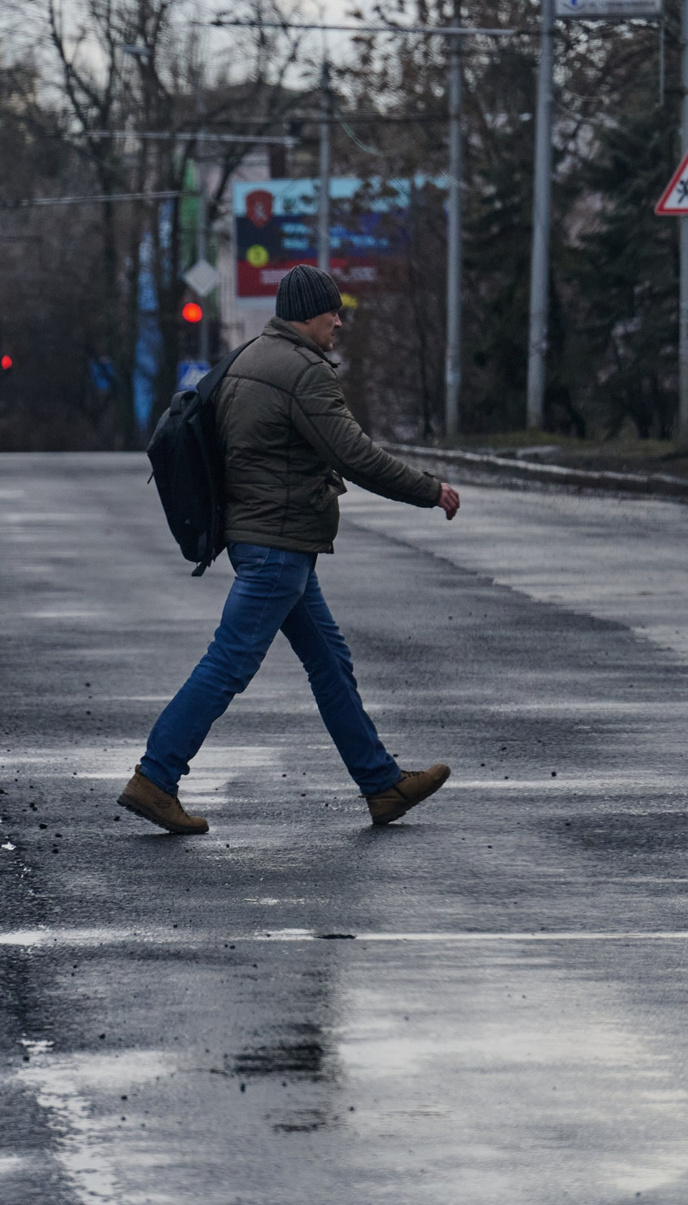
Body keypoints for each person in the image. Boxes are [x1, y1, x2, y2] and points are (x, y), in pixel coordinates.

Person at [120, 264, 463, 835]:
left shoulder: (246, 359)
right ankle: (156, 776)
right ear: (309, 313)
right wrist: (430, 490)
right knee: (229, 663)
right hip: (277, 547)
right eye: (333, 312)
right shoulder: (303, 372)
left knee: (330, 663)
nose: (339, 322)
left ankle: (381, 784)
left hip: (267, 541)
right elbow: (354, 454)